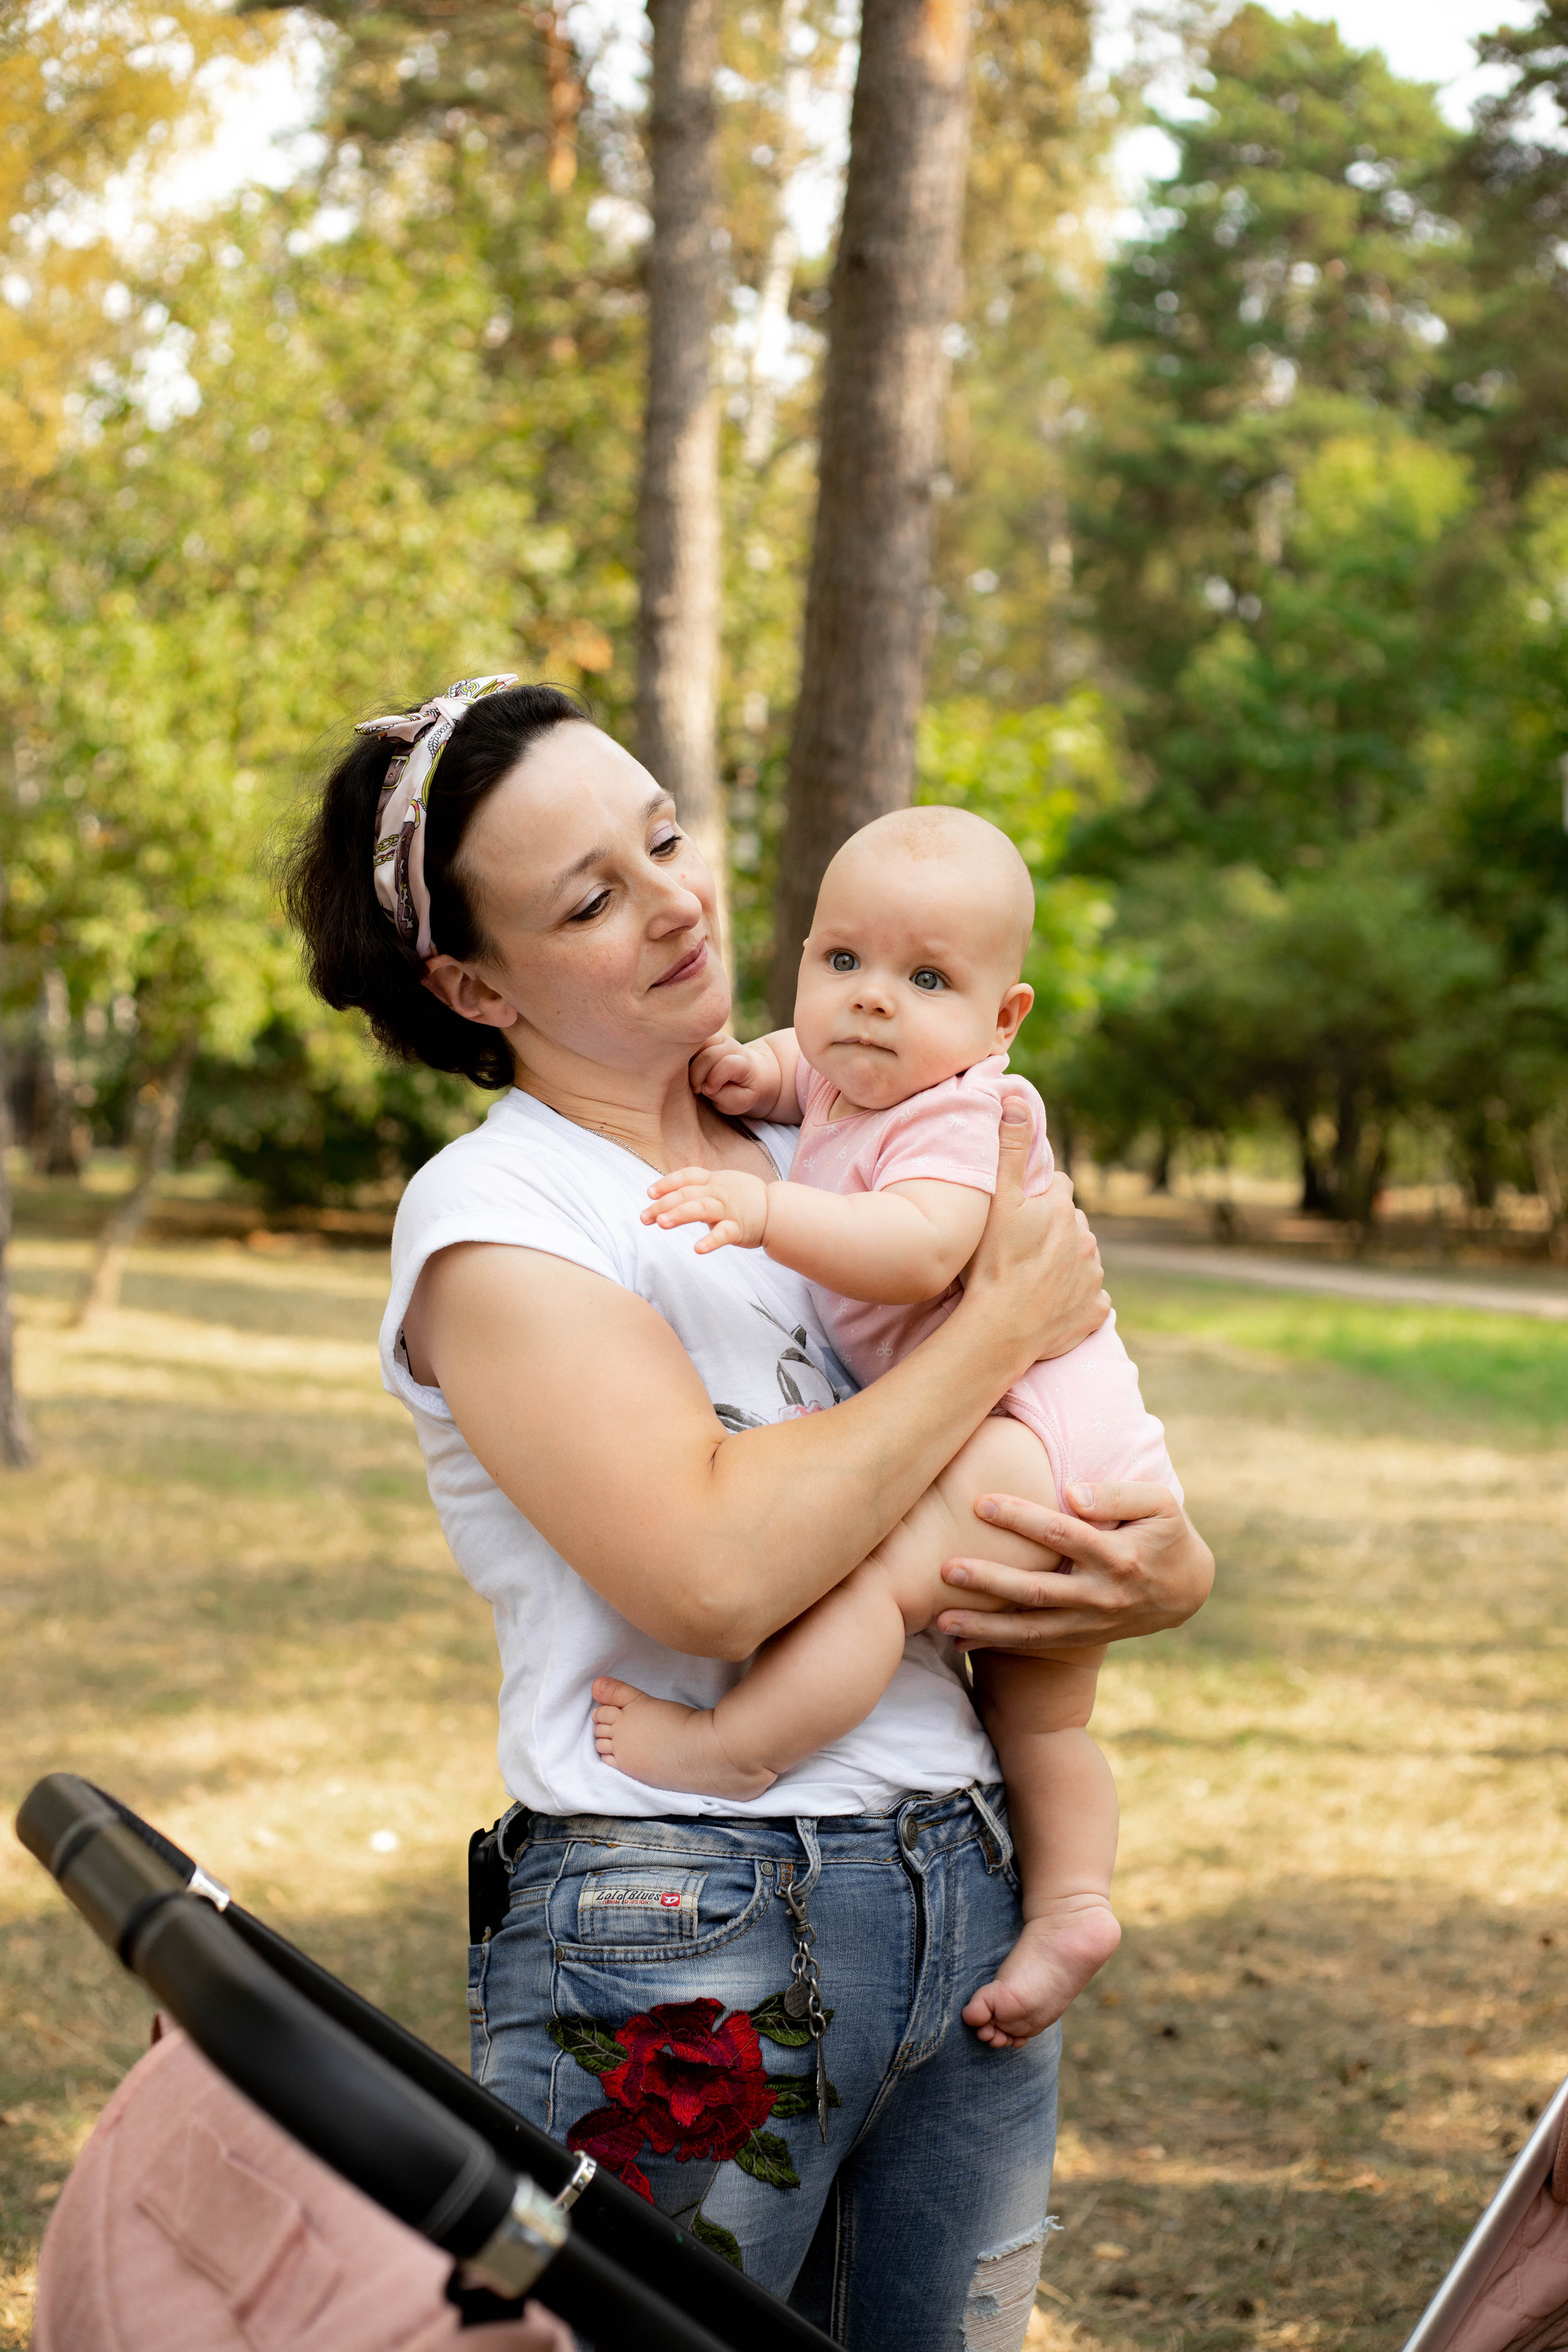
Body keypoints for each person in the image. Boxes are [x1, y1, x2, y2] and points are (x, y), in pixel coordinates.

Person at [284, 676, 1215, 2352]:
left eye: (663, 838)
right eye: (590, 898)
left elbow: (1042, 1432)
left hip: (969, 1883)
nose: (673, 903)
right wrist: (998, 1321)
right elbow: (712, 1573)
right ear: (469, 982)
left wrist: (1157, 1566)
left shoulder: (849, 1123)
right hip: (684, 1928)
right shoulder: (497, 1218)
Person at [592, 804, 1176, 2048]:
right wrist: (763, 1072)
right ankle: (1071, 1902)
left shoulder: (965, 1118)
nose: (867, 1003)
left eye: (924, 979)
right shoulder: (864, 1076)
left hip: (1028, 1433)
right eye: (840, 962)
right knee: (1042, 1714)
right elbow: (821, 1078)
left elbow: (913, 1252)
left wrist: (762, 1211)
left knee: (873, 1591)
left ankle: (728, 1750)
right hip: (1073, 1440)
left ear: (1000, 1020)